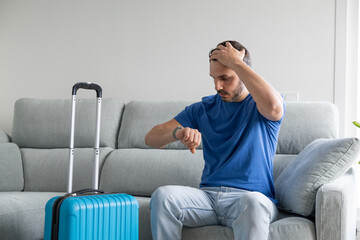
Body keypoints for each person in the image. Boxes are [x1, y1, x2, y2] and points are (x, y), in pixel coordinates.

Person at [145, 40, 285, 240]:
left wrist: (237, 62)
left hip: (248, 199)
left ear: (243, 71)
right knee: (163, 196)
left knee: (255, 203)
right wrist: (178, 132)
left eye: (225, 78)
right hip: (208, 199)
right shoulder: (204, 108)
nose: (217, 86)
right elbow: (151, 138)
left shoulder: (260, 105)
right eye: (214, 78)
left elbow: (274, 107)